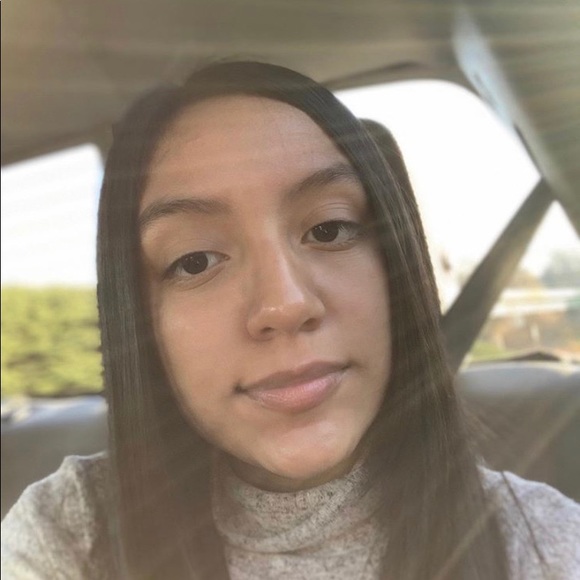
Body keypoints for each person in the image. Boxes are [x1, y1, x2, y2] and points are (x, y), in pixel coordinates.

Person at [2, 61, 579, 580]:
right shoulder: (68, 533)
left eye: (329, 229)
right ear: (139, 322)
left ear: (395, 265)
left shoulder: (543, 544)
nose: (285, 304)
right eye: (195, 261)